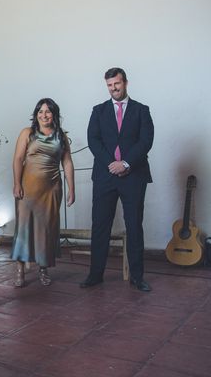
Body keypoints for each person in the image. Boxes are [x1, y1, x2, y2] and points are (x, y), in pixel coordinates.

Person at [80, 67, 154, 292]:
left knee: (134, 226)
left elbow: (146, 140)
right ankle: (95, 275)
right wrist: (112, 164)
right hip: (105, 176)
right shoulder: (98, 111)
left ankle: (137, 277)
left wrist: (126, 163)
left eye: (117, 84)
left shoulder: (142, 110)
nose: (114, 88)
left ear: (126, 83)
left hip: (134, 176)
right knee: (100, 226)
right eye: (110, 85)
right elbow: (93, 140)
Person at [11, 98, 75, 287]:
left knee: (46, 229)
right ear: (36, 114)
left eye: (48, 111)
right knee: (24, 228)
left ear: (54, 114)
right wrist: (16, 183)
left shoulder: (60, 136)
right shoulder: (27, 133)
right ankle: (20, 270)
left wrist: (72, 188)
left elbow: (68, 162)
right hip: (28, 188)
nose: (44, 115)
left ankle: (43, 269)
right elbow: (18, 159)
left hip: (51, 189)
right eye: (40, 111)